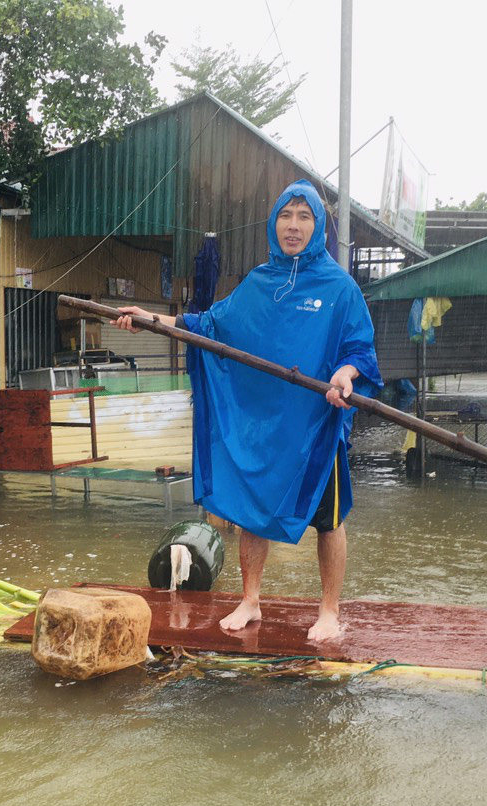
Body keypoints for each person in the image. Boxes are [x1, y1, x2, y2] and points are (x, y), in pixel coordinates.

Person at [112, 179, 380, 641]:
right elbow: (206, 326)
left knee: (328, 520)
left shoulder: (340, 288)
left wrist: (347, 375)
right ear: (273, 222)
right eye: (285, 215)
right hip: (265, 426)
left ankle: (330, 610)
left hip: (315, 426)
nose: (292, 226)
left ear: (319, 227)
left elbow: (361, 351)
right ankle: (251, 599)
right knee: (253, 511)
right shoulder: (259, 283)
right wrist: (150, 320)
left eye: (304, 217)